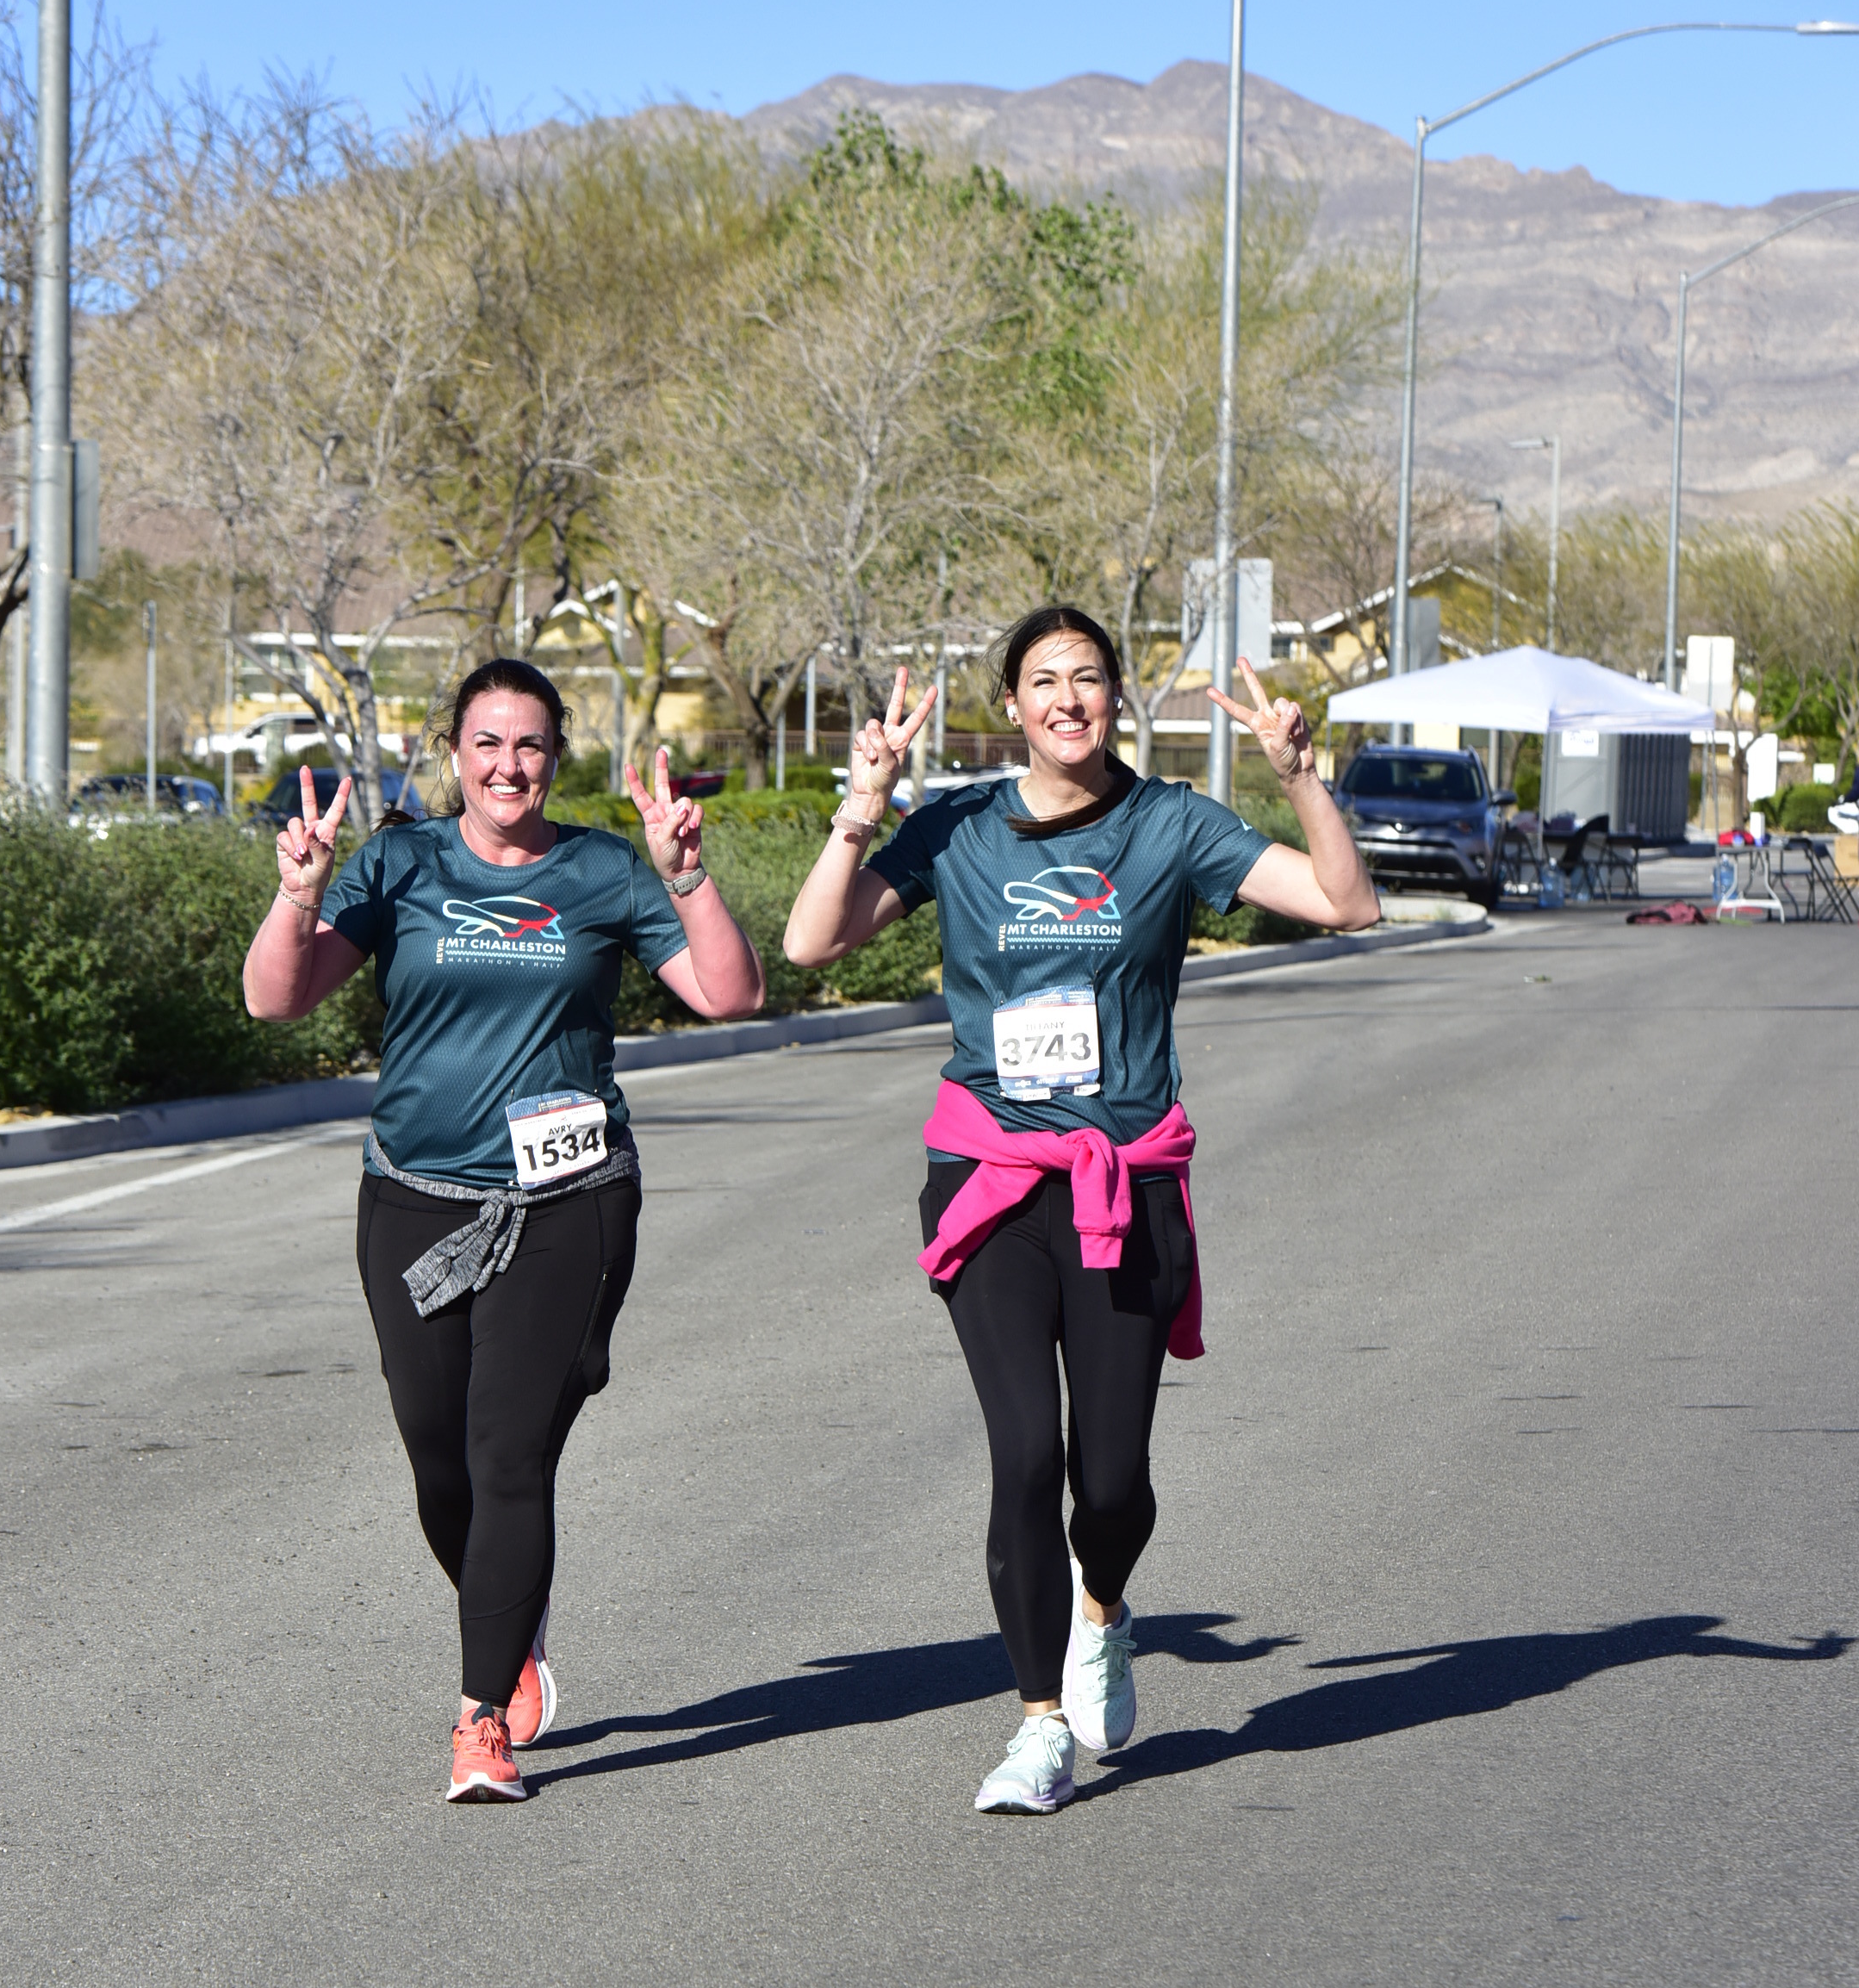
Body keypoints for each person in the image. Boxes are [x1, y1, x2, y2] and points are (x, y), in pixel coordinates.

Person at [784, 606, 1378, 1814]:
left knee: (1109, 1483)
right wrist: (866, 804)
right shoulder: (955, 827)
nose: (1068, 698)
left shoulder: (1170, 824)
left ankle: (1101, 1610)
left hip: (1125, 1183)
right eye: (1044, 680)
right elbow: (810, 943)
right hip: (991, 1179)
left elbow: (1345, 903)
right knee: (1024, 1454)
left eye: (1090, 677)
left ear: (1117, 698)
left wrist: (1299, 776)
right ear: (1011, 705)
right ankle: (1037, 1725)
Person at [243, 658, 764, 1800]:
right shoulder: (400, 864)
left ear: (555, 756)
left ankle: (481, 1718)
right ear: (455, 754)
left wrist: (686, 877)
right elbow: (277, 1000)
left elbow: (730, 995)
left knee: (508, 1454)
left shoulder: (602, 870)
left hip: (569, 1204)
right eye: (487, 743)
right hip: (413, 1199)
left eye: (529, 744)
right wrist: (299, 894)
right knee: (439, 1461)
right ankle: (511, 1623)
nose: (508, 766)